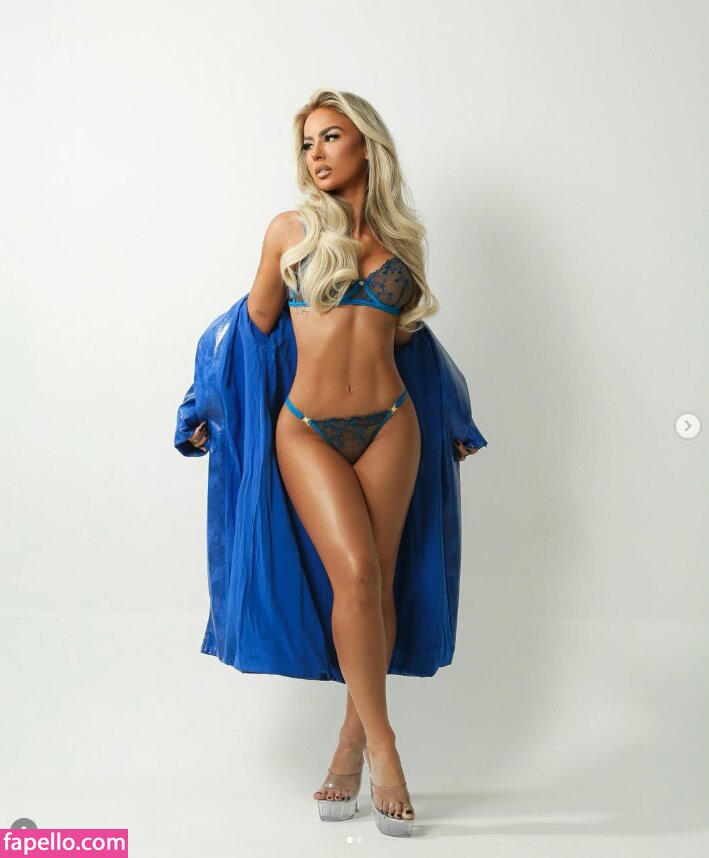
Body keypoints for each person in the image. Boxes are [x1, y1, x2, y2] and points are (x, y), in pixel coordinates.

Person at [187, 88, 481, 837]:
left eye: (330, 137)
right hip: (308, 430)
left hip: (391, 424)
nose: (315, 154)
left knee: (376, 580)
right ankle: (386, 748)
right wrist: (205, 404)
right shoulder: (290, 231)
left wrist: (451, 416)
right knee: (352, 574)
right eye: (307, 143)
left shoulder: (402, 238)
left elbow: (411, 345)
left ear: (366, 145)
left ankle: (349, 750)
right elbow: (249, 328)